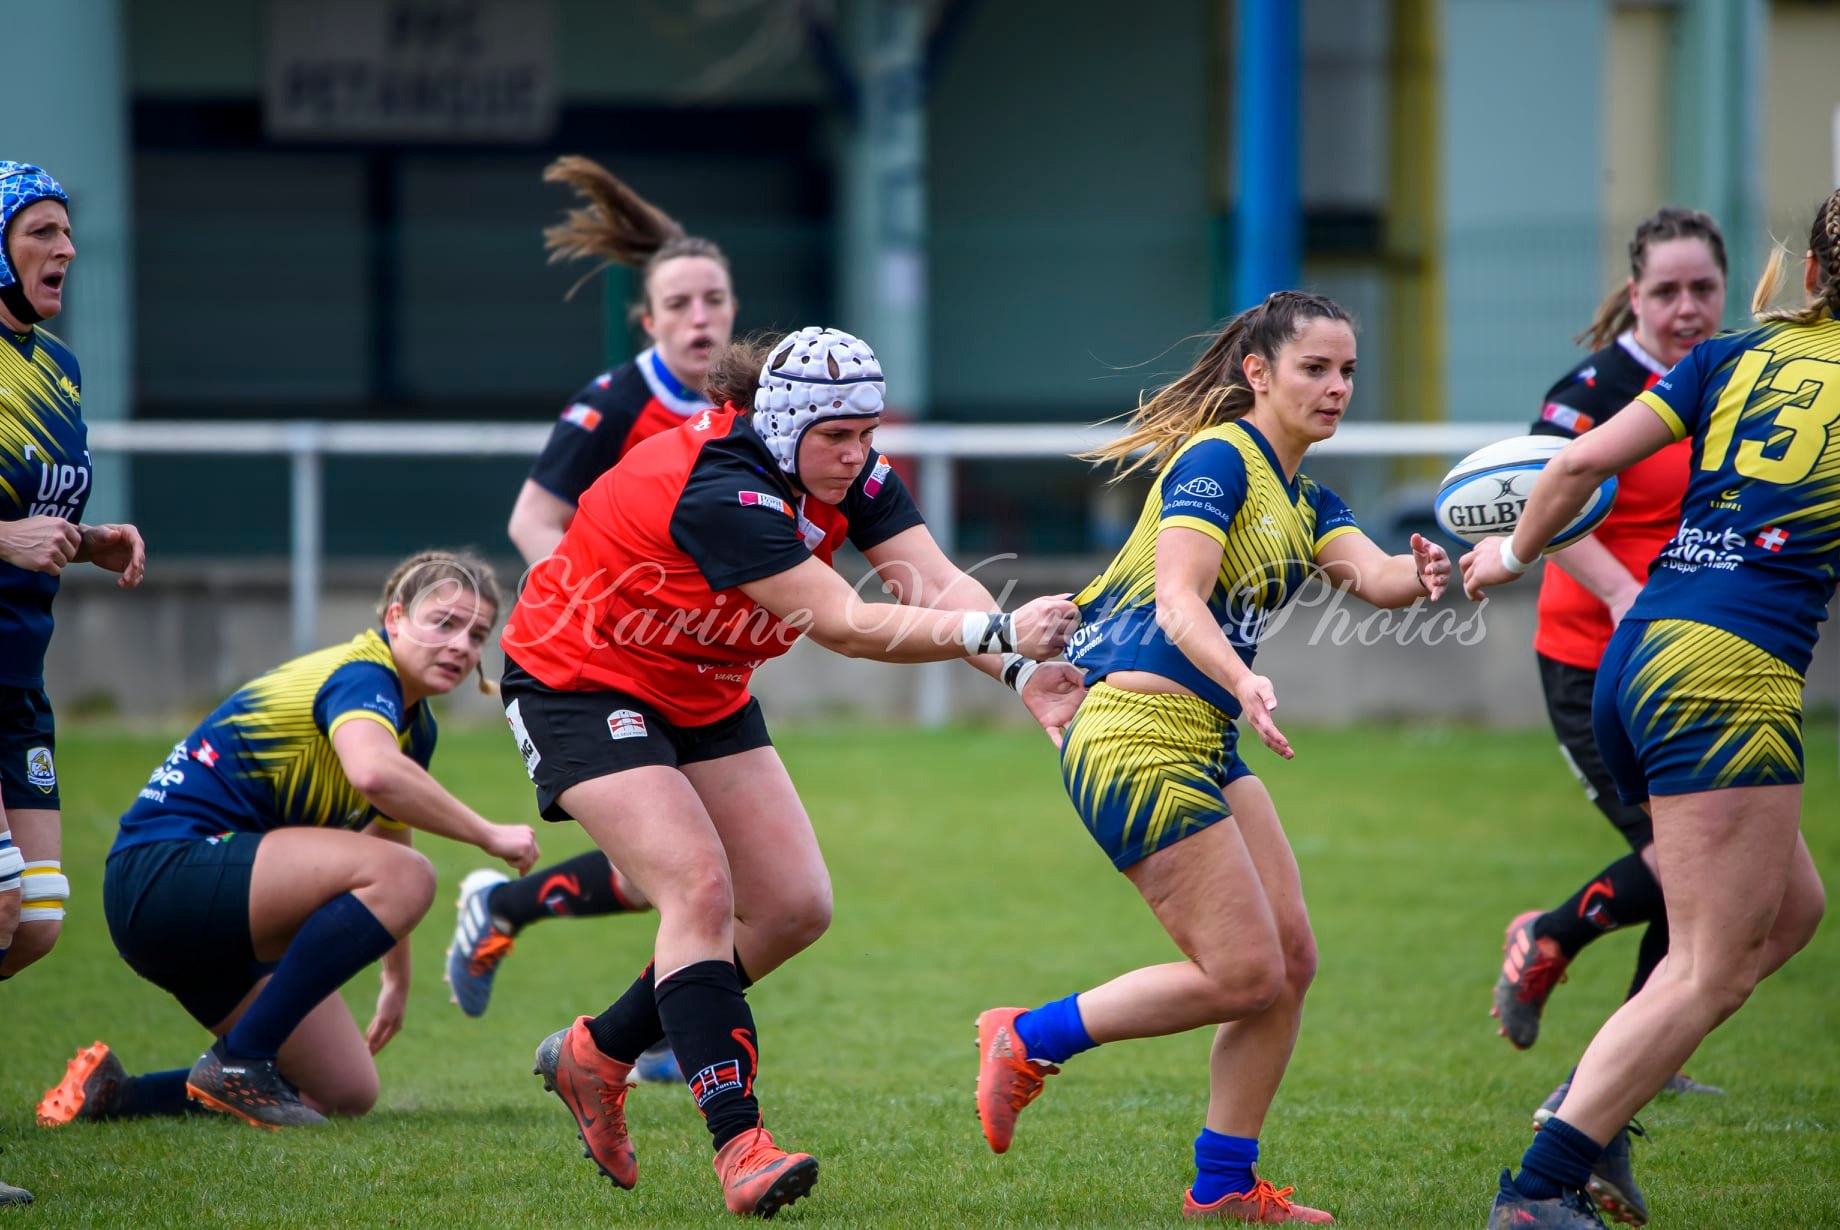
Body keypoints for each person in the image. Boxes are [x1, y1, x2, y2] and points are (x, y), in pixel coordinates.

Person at [499, 326, 1079, 1217]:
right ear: (780, 425)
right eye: (836, 437)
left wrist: (1021, 673)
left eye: (867, 433)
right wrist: (1004, 630)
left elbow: (932, 582)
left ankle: (596, 1054)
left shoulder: (859, 475)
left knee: (795, 907)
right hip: (577, 678)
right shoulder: (721, 487)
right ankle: (741, 1146)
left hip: (703, 687)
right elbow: (844, 624)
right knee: (697, 889)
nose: (857, 455)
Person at [973, 291, 1451, 1224]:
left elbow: (1377, 575)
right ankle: (1027, 1038)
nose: (1337, 387)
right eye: (1315, 368)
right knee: (1243, 974)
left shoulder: (1308, 500)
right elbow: (1179, 600)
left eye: (1348, 371)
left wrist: (1430, 571)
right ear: (1258, 373)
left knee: (1290, 960)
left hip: (1202, 741)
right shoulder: (1218, 459)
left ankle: (1224, 1184)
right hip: (1135, 735)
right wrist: (1244, 679)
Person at [1467, 189, 1840, 1229]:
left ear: (1812, 275)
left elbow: (1577, 463)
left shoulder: (1733, 357)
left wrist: (1509, 555)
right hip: (1726, 674)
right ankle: (1542, 1187)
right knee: (1708, 966)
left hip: (1638, 656)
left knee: (1792, 912)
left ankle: (1590, 1108)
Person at [35, 551, 540, 1131]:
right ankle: (241, 1062)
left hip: (215, 909)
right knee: (411, 874)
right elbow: (374, 775)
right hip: (163, 875)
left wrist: (397, 978)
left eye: (477, 634)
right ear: (396, 617)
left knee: (342, 1088)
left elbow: (390, 833)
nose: (461, 646)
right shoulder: (363, 675)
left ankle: (115, 1095)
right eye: (443, 622)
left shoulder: (414, 725)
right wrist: (489, 834)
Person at [447, 161, 738, 1082]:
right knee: (693, 870)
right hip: (602, 663)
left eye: (716, 300)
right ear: (648, 321)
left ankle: (518, 919)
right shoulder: (617, 401)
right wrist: (609, 605)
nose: (701, 318)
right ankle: (656, 1036)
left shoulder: (743, 410)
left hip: (693, 669)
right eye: (680, 304)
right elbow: (533, 519)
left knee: (702, 870)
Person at [1489, 207, 1731, 1224]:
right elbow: (1536, 498)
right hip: (1593, 668)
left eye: (1702, 289)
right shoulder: (1591, 392)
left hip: (1686, 666)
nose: (1686, 307)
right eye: (1666, 291)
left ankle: (1618, 1062)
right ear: (1634, 296)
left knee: (1709, 878)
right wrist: (1629, 595)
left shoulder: (1726, 378)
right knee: (1691, 866)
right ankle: (1565, 969)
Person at [1, 160, 146, 1206]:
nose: (66, 249)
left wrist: (86, 540)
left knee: (37, 918)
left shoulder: (57, 368)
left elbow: (31, 515)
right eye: (41, 231)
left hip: (19, 674)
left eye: (66, 230)